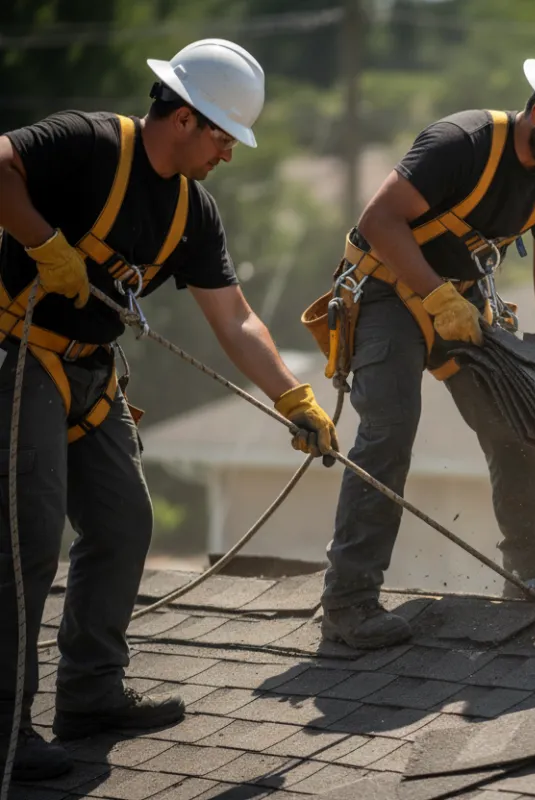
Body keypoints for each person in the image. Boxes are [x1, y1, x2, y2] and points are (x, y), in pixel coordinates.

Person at [0, 38, 339, 779]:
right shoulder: (86, 143)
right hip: (18, 355)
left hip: (90, 375)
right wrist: (41, 241)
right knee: (28, 534)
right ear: (184, 118)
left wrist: (292, 396)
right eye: (222, 135)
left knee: (124, 523)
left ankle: (88, 695)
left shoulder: (194, 213)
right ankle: (5, 731)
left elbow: (237, 318)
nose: (228, 154)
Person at [314, 46, 535, 649]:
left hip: (463, 302)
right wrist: (434, 297)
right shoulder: (460, 142)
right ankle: (349, 601)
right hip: (387, 290)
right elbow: (380, 220)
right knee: (390, 426)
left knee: (519, 417)